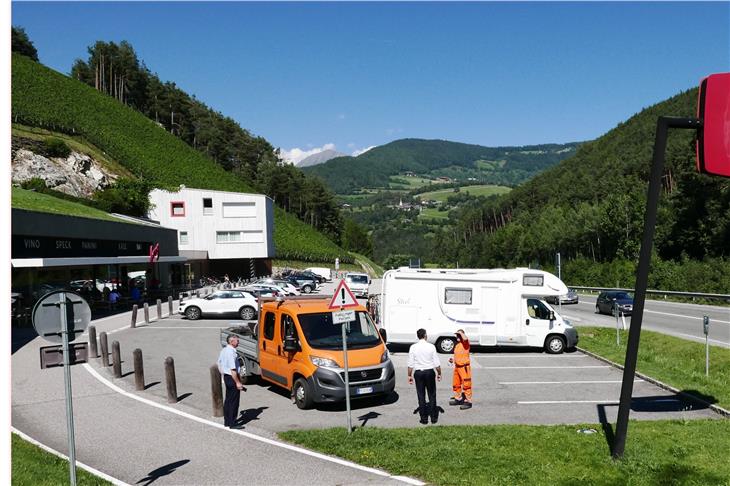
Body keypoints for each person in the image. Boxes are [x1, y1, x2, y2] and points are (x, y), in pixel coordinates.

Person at [407, 328, 442, 424]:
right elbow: (436, 363)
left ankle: (424, 418)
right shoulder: (431, 347)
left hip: (418, 373)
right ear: (425, 335)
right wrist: (439, 373)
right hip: (429, 372)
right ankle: (434, 418)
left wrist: (409, 375)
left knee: (421, 395)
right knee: (432, 395)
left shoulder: (413, 347)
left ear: (418, 336)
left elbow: (410, 364)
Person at [217, 335, 246, 428]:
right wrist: (238, 382)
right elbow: (233, 369)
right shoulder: (231, 353)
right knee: (234, 401)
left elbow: (219, 364)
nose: (238, 342)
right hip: (232, 377)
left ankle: (227, 421)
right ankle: (232, 423)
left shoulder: (224, 350)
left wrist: (223, 374)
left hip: (226, 377)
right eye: (237, 341)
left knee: (228, 400)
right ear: (231, 342)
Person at [449, 329, 473, 409]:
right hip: (457, 367)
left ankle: (468, 401)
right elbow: (459, 355)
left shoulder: (465, 343)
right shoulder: (458, 344)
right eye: (457, 335)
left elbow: (465, 338)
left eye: (459, 335)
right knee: (456, 384)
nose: (457, 336)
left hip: (464, 367)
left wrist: (461, 333)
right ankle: (458, 399)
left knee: (466, 385)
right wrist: (453, 360)